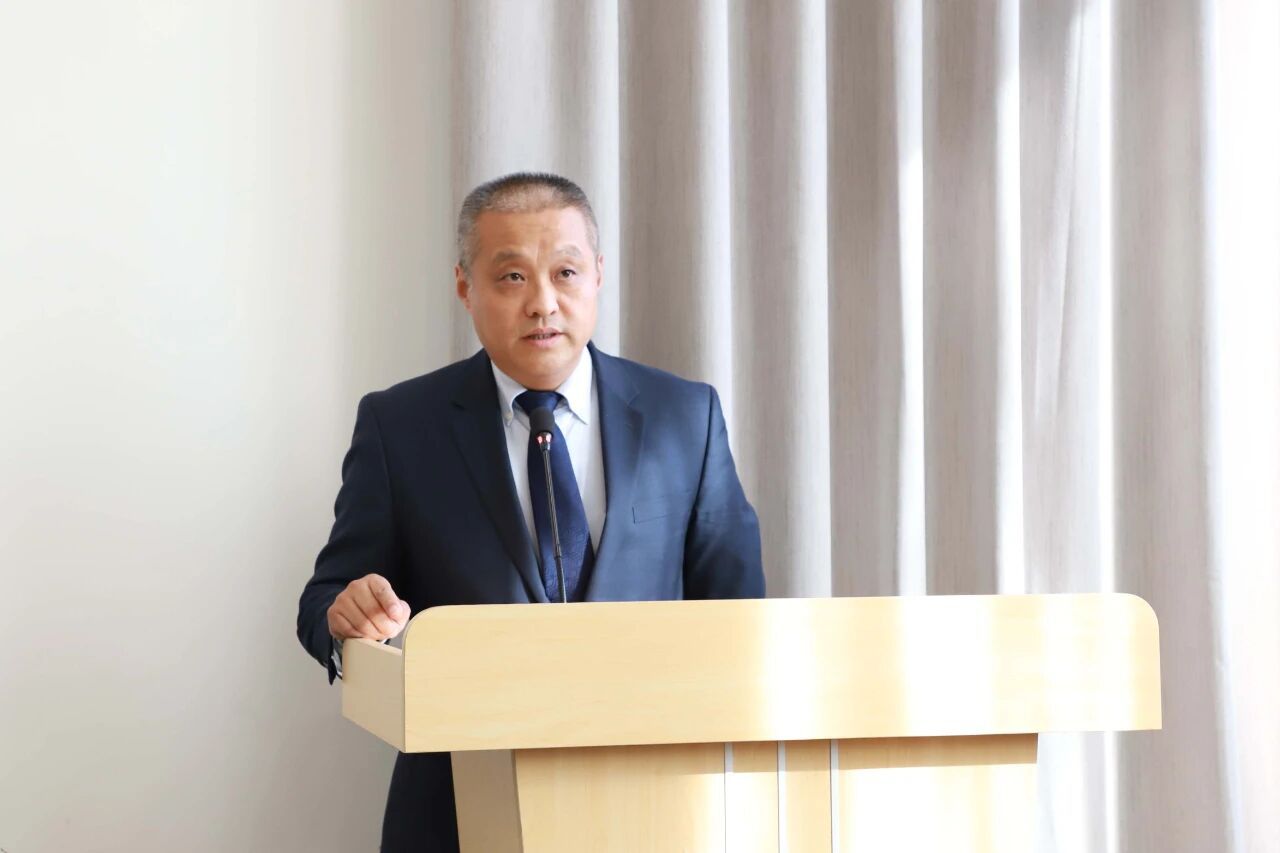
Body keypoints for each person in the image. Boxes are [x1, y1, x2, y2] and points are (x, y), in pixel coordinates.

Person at [296, 172, 764, 852]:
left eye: (565, 272)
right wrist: (347, 617)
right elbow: (323, 602)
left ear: (598, 274)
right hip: (456, 812)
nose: (543, 303)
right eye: (511, 277)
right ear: (465, 286)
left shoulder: (685, 416)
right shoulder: (399, 425)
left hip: (654, 809)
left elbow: (740, 614)